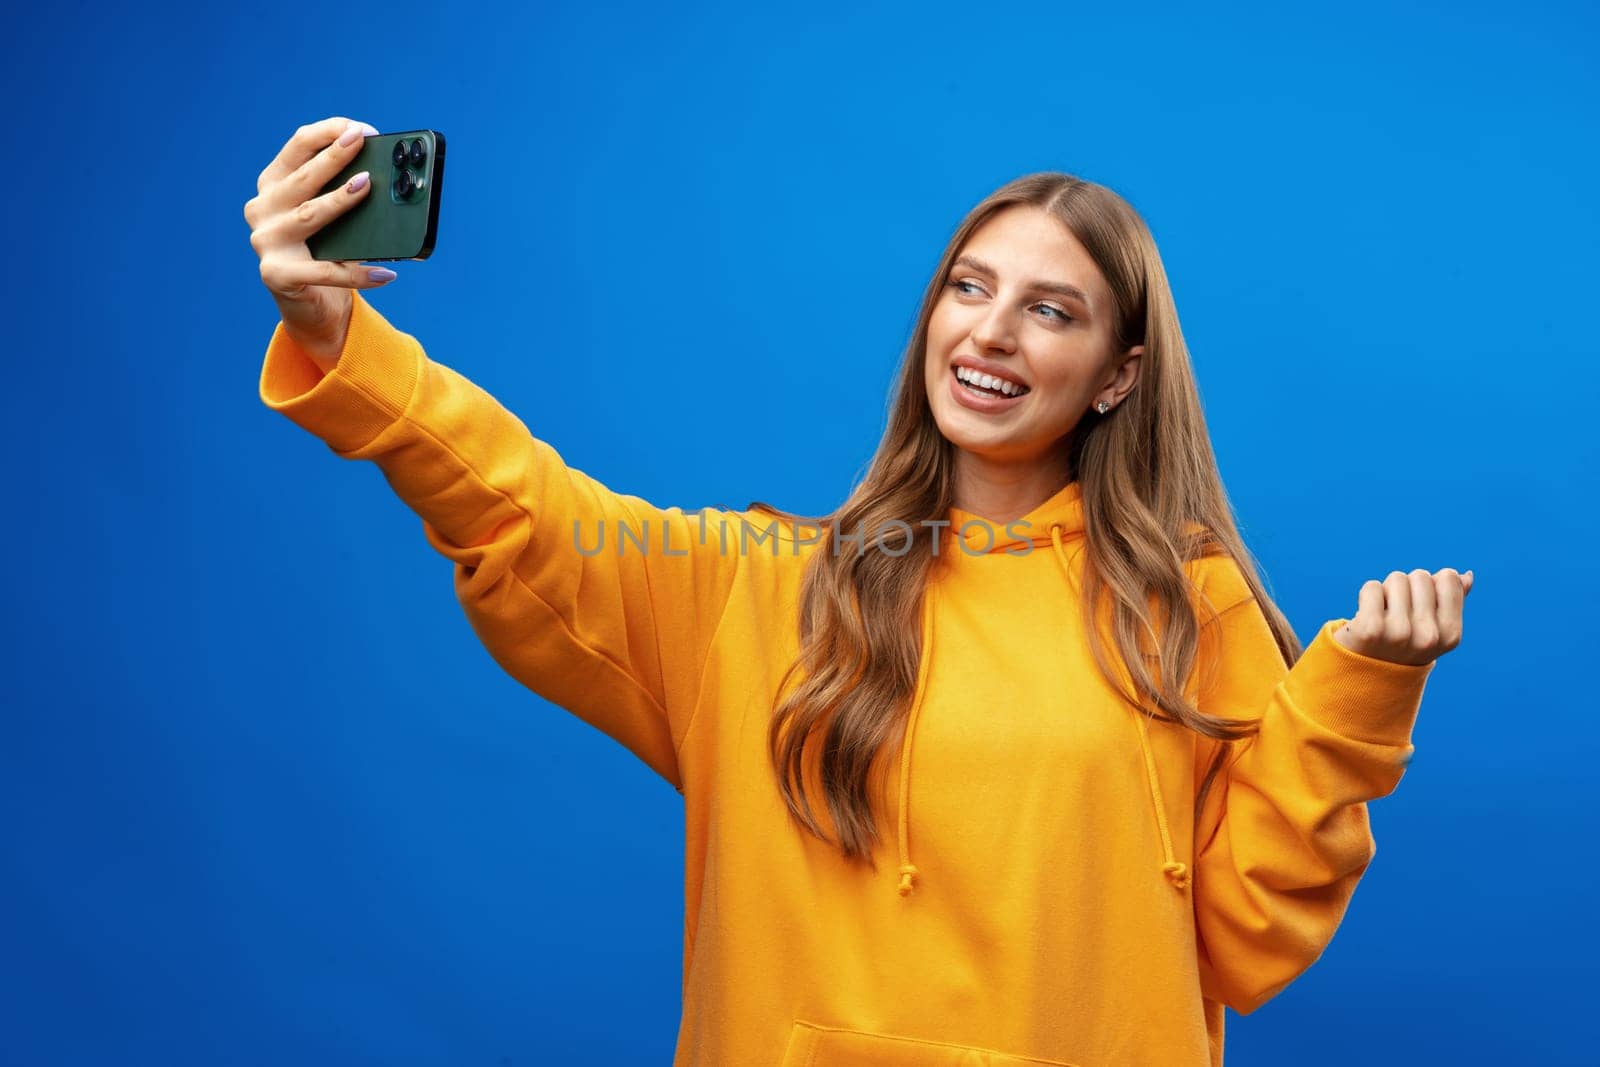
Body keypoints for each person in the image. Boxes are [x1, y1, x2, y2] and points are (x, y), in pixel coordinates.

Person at [244, 116, 1473, 1066]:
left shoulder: (1182, 610)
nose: (991, 333)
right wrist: (347, 344)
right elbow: (524, 507)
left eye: (1052, 311)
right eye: (969, 287)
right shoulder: (754, 585)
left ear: (1116, 374)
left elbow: (1249, 941)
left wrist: (1362, 695)